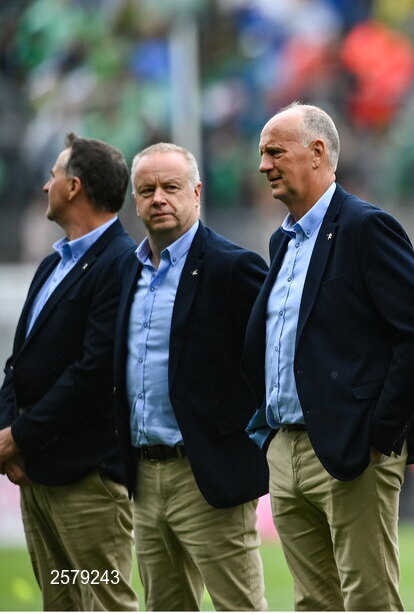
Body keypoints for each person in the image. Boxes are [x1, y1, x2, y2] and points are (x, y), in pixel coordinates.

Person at [243, 102, 414, 611]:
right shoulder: (284, 240)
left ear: (318, 152)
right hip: (288, 450)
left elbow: (412, 337)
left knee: (368, 599)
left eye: (275, 152)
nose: (263, 166)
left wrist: (379, 434)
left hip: (351, 452)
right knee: (312, 603)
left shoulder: (368, 227)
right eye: (262, 154)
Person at [111, 143, 269, 610]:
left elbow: (269, 360)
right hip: (143, 474)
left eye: (171, 187)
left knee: (237, 605)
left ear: (196, 193)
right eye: (147, 190)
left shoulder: (233, 266)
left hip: (206, 475)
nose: (159, 198)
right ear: (135, 201)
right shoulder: (126, 269)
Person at [0, 134, 137, 610]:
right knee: (60, 604)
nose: (45, 185)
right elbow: (18, 363)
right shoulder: (53, 262)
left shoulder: (121, 264)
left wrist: (19, 437)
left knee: (103, 602)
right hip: (38, 477)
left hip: (86, 483)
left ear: (74, 186)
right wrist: (8, 433)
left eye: (54, 175)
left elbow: (94, 372)